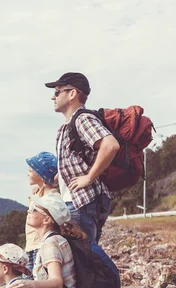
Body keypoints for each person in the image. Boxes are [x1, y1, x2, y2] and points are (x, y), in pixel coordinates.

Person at [44, 72, 119, 244]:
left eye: (57, 92)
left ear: (72, 94)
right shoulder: (68, 125)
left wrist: (89, 178)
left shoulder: (82, 119)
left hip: (80, 203)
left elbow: (110, 145)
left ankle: (109, 272)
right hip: (77, 203)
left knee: (81, 259)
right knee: (82, 257)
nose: (52, 97)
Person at [6, 192, 84, 288]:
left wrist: (29, 285)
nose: (29, 210)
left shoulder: (51, 243)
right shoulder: (51, 240)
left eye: (34, 209)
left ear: (47, 219)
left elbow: (57, 283)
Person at [25, 151, 59, 273]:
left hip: (39, 246)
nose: (27, 174)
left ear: (40, 175)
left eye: (30, 171)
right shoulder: (38, 193)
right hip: (30, 245)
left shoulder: (51, 198)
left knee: (36, 279)